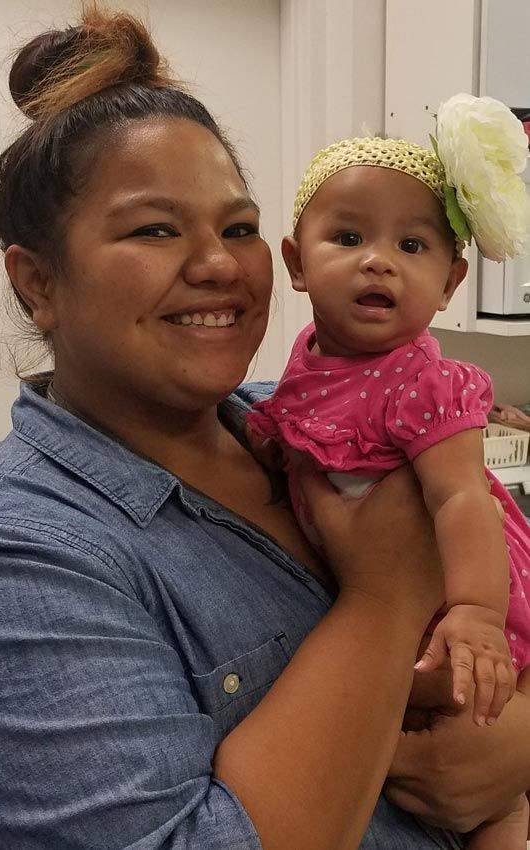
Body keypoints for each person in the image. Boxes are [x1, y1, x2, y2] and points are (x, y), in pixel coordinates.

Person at [0, 6, 530, 849]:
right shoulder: (18, 552)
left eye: (237, 228)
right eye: (154, 229)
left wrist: (516, 745)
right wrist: (389, 595)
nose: (220, 265)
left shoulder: (304, 423)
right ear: (37, 282)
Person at [247, 104, 530, 848]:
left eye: (412, 245)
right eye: (348, 237)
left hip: (462, 593)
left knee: (478, 761)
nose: (379, 260)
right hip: (389, 602)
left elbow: (463, 498)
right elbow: (305, 433)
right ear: (297, 261)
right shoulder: (309, 360)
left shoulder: (426, 385)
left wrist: (473, 610)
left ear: (449, 282)